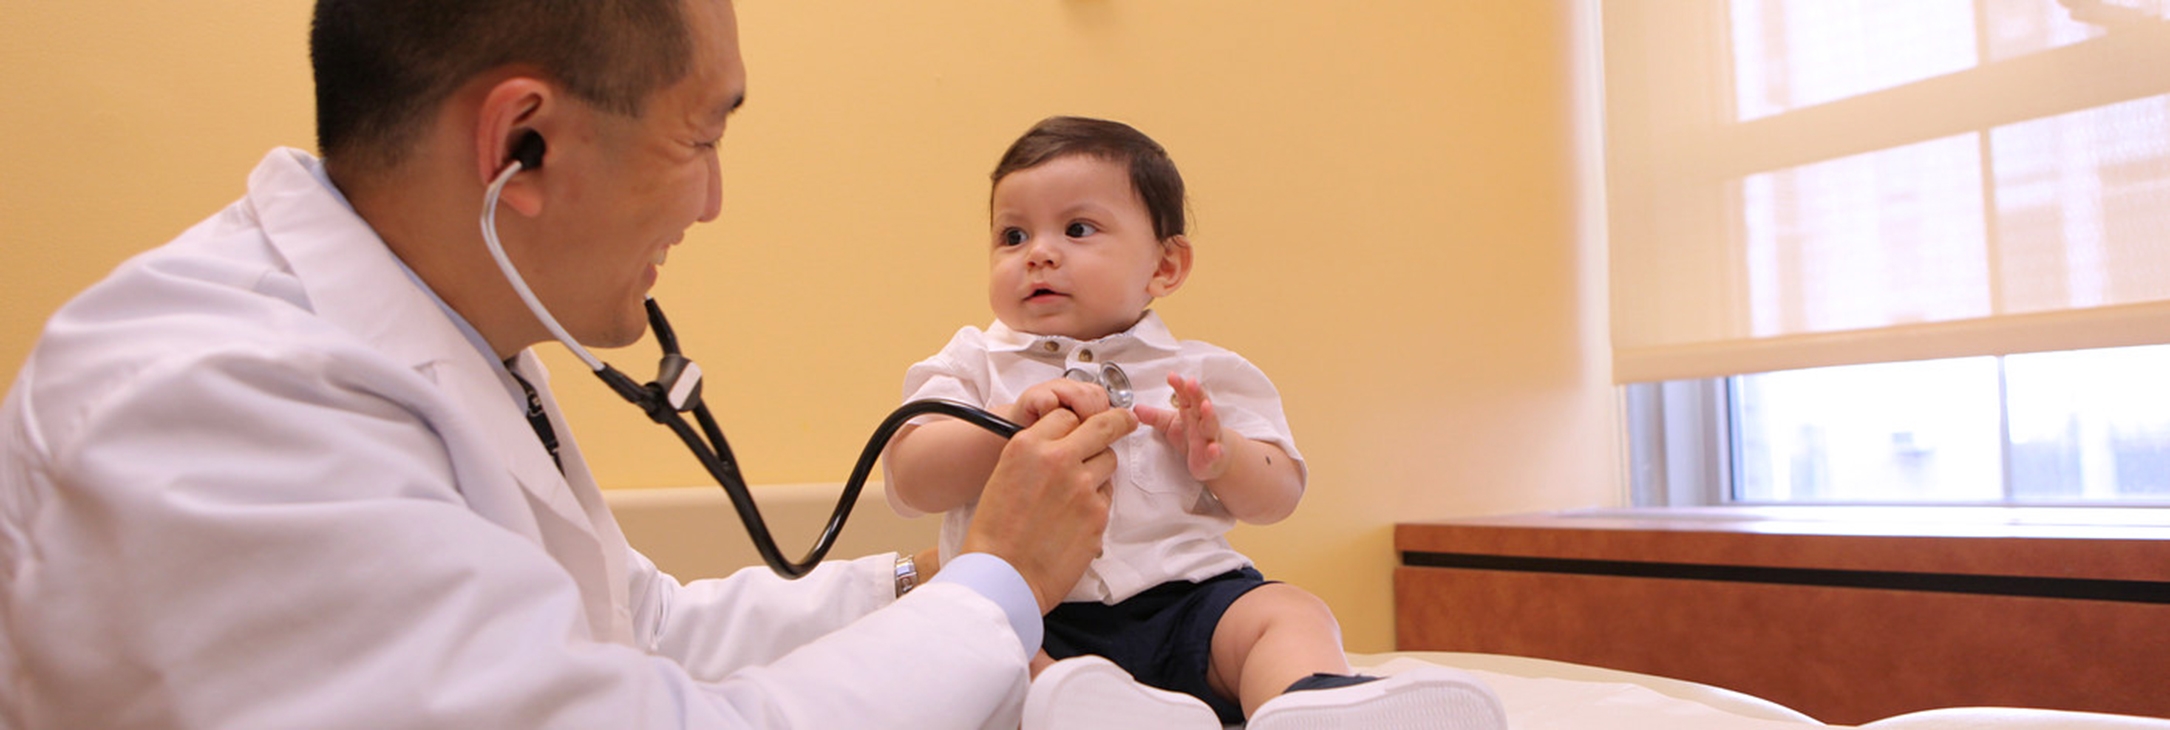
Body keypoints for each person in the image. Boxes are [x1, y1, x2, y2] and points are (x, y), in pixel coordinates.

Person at [0, 1, 1137, 727]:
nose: (714, 201)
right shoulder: (213, 404)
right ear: (519, 145)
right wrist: (999, 585)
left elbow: (630, 622)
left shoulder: (449, 336)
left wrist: (916, 585)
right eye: (702, 138)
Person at [882, 116, 1502, 729]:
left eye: (1077, 228)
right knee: (985, 654)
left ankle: (1309, 704)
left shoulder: (1203, 372)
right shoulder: (972, 365)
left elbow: (1279, 493)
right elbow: (912, 480)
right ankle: (1088, 710)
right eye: (1012, 237)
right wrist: (1000, 424)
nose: (1039, 254)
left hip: (1191, 600)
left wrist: (1225, 457)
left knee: (1287, 613)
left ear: (1165, 267)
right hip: (1033, 608)